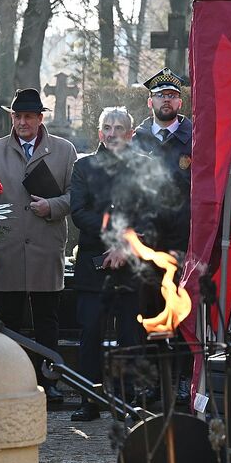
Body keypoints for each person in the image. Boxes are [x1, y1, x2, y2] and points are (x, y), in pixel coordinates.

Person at [0, 88, 77, 404]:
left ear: (39, 118)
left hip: (46, 245)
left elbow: (76, 195)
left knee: (47, 320)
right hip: (6, 246)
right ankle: (9, 382)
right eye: (17, 116)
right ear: (12, 117)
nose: (22, 122)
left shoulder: (63, 150)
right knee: (7, 321)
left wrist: (53, 206)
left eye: (28, 117)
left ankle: (48, 381)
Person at [69, 107, 150, 421]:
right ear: (99, 132)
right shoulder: (84, 166)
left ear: (130, 134)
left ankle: (128, 402)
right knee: (90, 331)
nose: (113, 133)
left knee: (130, 335)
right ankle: (89, 399)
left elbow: (150, 213)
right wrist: (115, 237)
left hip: (133, 265)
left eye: (119, 127)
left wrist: (126, 245)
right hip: (94, 264)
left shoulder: (145, 167)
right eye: (107, 127)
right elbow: (79, 212)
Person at [131, 67, 193, 402]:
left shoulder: (194, 137)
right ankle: (151, 380)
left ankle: (183, 378)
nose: (165, 100)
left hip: (183, 240)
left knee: (182, 309)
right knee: (149, 310)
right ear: (150, 100)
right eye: (160, 95)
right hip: (146, 241)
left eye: (171, 95)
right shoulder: (137, 139)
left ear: (179, 100)